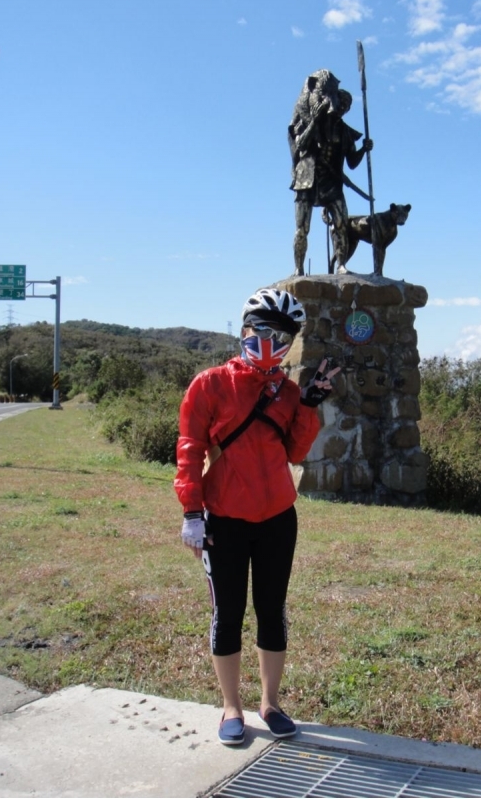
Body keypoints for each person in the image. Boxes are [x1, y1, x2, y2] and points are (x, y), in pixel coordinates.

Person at [174, 288, 340, 746]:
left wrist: (308, 406)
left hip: (277, 519)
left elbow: (295, 451)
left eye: (281, 335)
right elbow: (189, 452)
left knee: (272, 612)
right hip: (223, 519)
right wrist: (191, 512)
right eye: (261, 330)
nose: (269, 341)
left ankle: (270, 702)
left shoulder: (286, 392)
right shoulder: (208, 384)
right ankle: (232, 707)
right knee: (227, 614)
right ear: (244, 329)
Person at [289, 87, 373, 276]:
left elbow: (351, 162)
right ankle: (299, 268)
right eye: (341, 102)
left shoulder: (344, 131)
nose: (342, 107)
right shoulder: (311, 120)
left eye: (347, 105)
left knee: (341, 223)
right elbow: (300, 144)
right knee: (302, 228)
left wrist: (363, 149)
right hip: (307, 179)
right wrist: (315, 121)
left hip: (332, 182)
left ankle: (341, 264)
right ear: (331, 101)